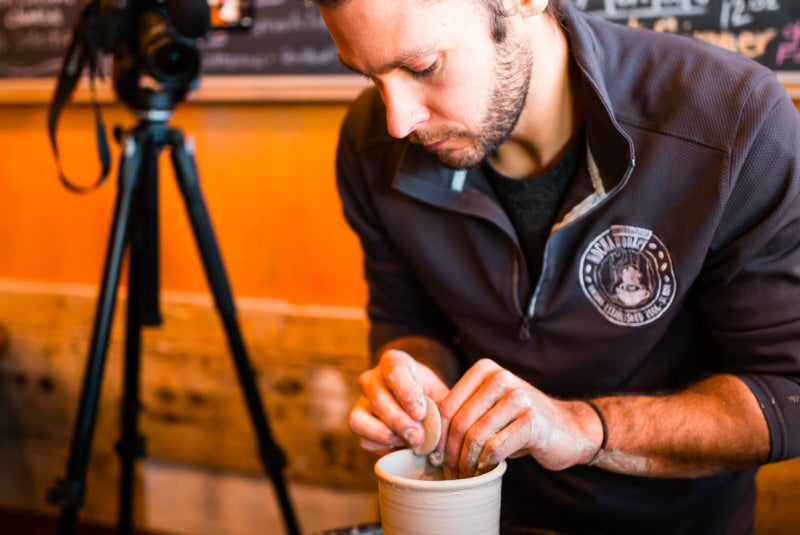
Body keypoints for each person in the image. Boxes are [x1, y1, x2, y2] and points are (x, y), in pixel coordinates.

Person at [311, 0, 800, 532]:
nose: (399, 120)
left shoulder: (731, 120)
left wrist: (578, 427)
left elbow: (786, 389)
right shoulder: (370, 144)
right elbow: (408, 320)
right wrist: (411, 376)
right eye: (369, 78)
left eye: (423, 67)